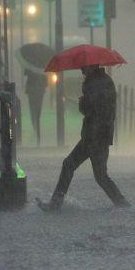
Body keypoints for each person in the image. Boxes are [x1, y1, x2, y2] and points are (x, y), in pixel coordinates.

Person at [37, 65, 130, 211]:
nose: (81, 70)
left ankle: (56, 204)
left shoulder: (94, 84)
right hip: (99, 135)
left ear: (91, 67)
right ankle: (121, 203)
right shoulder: (104, 81)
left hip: (94, 136)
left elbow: (90, 109)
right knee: (98, 175)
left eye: (83, 67)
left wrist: (82, 102)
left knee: (76, 167)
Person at [24, 69, 47, 146]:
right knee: (36, 111)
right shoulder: (41, 65)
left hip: (34, 90)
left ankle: (35, 127)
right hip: (38, 90)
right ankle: (36, 127)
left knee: (34, 110)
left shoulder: (30, 64)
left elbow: (25, 72)